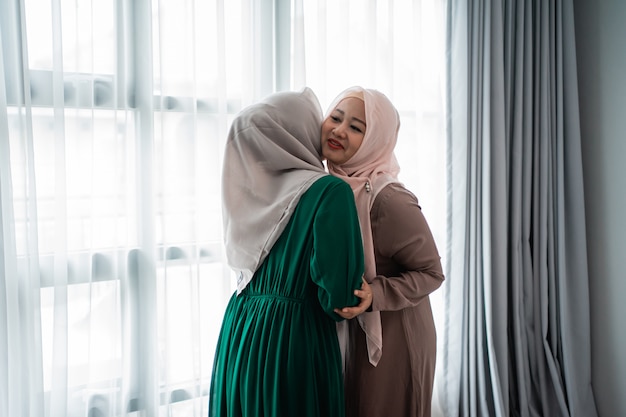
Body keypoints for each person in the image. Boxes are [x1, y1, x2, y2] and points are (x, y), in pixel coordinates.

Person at [208, 87, 365, 417]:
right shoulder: (329, 192)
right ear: (302, 132)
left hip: (238, 335)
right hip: (293, 341)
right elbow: (339, 300)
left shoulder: (247, 203)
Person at [322, 86, 445, 417]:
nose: (338, 130)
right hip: (356, 325)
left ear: (376, 140)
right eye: (335, 117)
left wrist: (375, 293)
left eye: (356, 127)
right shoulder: (330, 188)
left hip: (397, 333)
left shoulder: (389, 199)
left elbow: (432, 273)